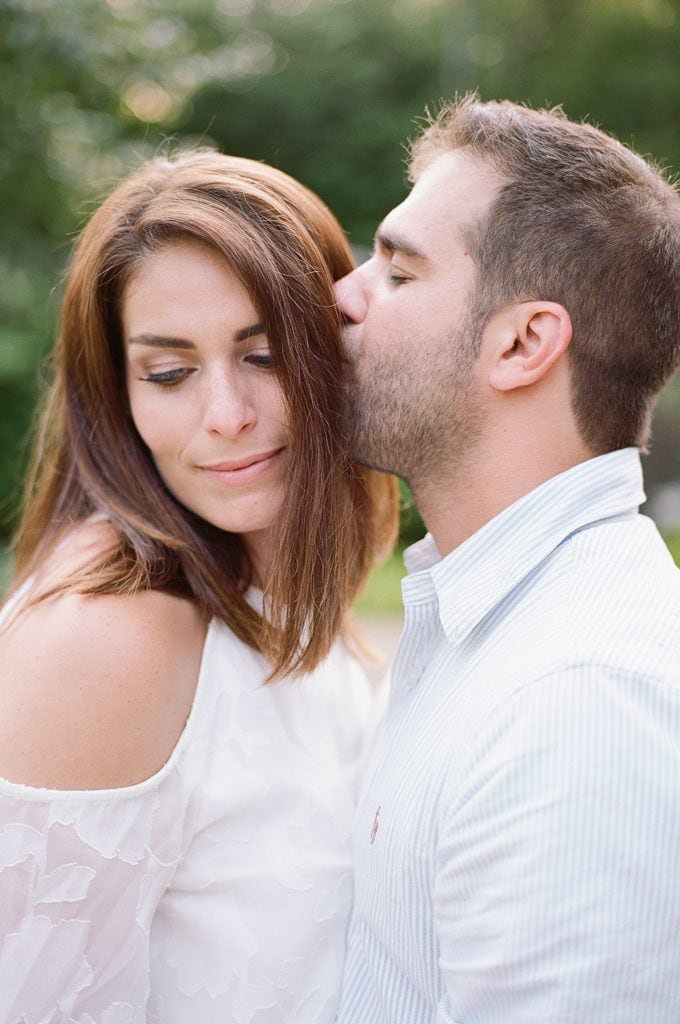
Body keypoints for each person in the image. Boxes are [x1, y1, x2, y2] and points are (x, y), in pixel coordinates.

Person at [0, 150, 397, 1023]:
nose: (226, 413)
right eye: (169, 373)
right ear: (118, 395)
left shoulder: (284, 595)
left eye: (264, 355)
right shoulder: (107, 638)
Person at [334, 95, 680, 1023]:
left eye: (398, 272)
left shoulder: (580, 701)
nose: (342, 295)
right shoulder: (492, 626)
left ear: (523, 342)